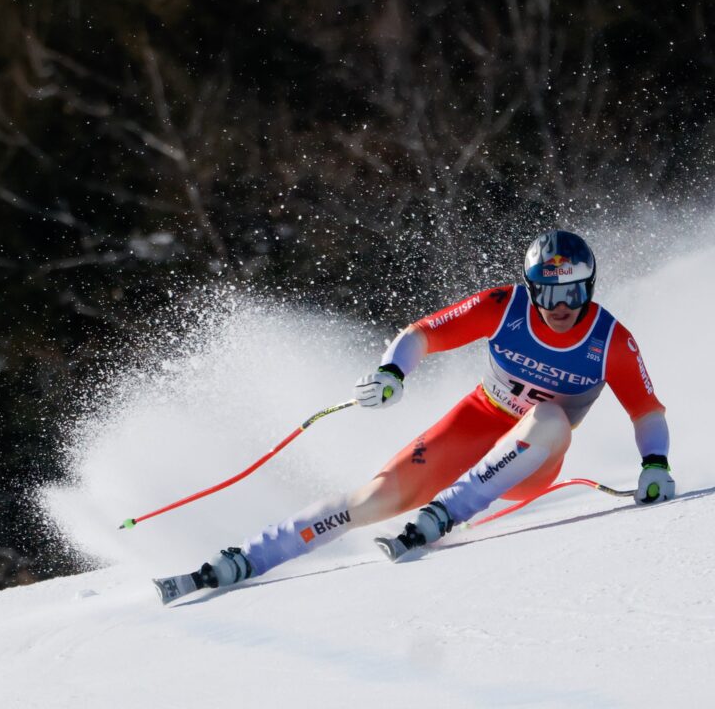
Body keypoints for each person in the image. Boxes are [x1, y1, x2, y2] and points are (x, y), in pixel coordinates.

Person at [176, 230, 672, 593]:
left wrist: (655, 465)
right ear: (530, 287)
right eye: (547, 292)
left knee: (548, 418)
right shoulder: (503, 306)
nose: (561, 306)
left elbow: (646, 411)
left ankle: (447, 511)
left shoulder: (612, 341)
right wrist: (393, 372)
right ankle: (250, 557)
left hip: (533, 460)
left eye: (574, 292)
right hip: (475, 422)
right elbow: (423, 333)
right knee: (373, 497)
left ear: (591, 287)